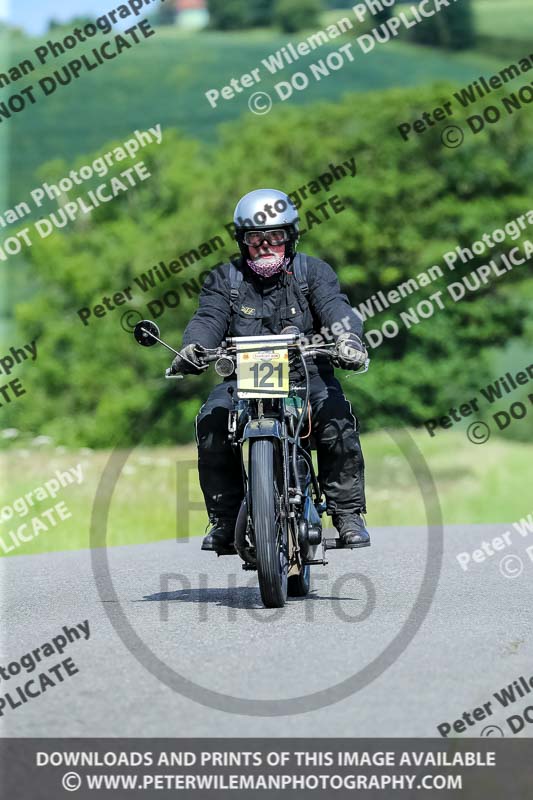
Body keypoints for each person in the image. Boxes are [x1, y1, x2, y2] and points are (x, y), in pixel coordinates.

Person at [172, 189, 370, 553]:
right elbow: (208, 319)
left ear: (290, 238)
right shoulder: (224, 279)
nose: (266, 246)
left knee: (336, 417)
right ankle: (225, 519)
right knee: (212, 421)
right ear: (242, 241)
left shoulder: (313, 272)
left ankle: (347, 514)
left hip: (307, 373)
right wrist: (193, 347)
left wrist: (349, 340)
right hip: (242, 377)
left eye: (275, 237)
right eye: (255, 239)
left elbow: (336, 309)